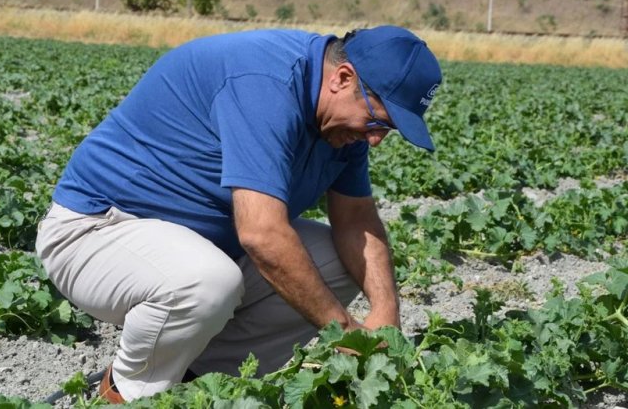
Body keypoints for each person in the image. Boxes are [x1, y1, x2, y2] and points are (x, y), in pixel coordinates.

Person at [35, 25, 442, 403]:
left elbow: (356, 222)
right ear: (342, 78)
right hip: (96, 231)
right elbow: (262, 235)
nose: (374, 140)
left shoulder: (342, 123)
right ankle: (126, 393)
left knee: (335, 262)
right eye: (376, 122)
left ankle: (194, 383)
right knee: (206, 280)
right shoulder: (265, 84)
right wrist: (345, 334)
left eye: (386, 130)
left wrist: (385, 313)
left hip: (203, 247)